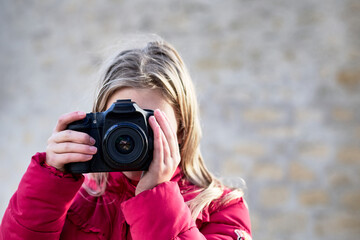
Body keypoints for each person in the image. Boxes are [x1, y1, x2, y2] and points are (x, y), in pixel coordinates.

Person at [0, 40, 252, 240]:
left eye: (150, 123)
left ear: (181, 131)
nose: (132, 138)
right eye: (121, 125)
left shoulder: (222, 209)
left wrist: (156, 199)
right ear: (98, 123)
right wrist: (50, 184)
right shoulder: (74, 201)